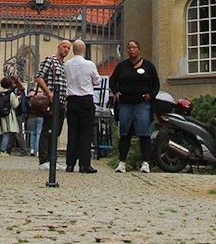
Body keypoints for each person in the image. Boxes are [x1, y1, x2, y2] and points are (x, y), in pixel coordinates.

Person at [110, 40, 159, 173]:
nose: (132, 50)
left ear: (139, 50)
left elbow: (156, 83)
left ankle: (145, 163)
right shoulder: (122, 66)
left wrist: (151, 95)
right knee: (125, 134)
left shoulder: (148, 66)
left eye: (134, 48)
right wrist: (116, 92)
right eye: (129, 48)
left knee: (144, 133)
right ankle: (122, 162)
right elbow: (113, 80)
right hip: (126, 104)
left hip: (142, 103)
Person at [62, 39, 101, 173]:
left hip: (72, 100)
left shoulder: (67, 65)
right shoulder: (89, 64)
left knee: (73, 133)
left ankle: (70, 164)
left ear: (73, 50)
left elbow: (65, 79)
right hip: (86, 100)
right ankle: (84, 164)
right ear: (84, 50)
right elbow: (97, 81)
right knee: (86, 133)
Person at [35, 39, 72, 167]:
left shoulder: (64, 65)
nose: (66, 50)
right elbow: (39, 77)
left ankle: (52, 159)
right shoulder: (50, 61)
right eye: (64, 47)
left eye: (68, 48)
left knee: (56, 131)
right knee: (47, 130)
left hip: (61, 102)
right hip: (51, 101)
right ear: (58, 47)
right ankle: (44, 160)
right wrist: (49, 92)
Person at [0, 77, 21, 155]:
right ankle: (3, 150)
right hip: (8, 115)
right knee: (6, 132)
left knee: (0, 132)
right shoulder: (10, 94)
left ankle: (0, 148)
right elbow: (15, 105)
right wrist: (17, 99)